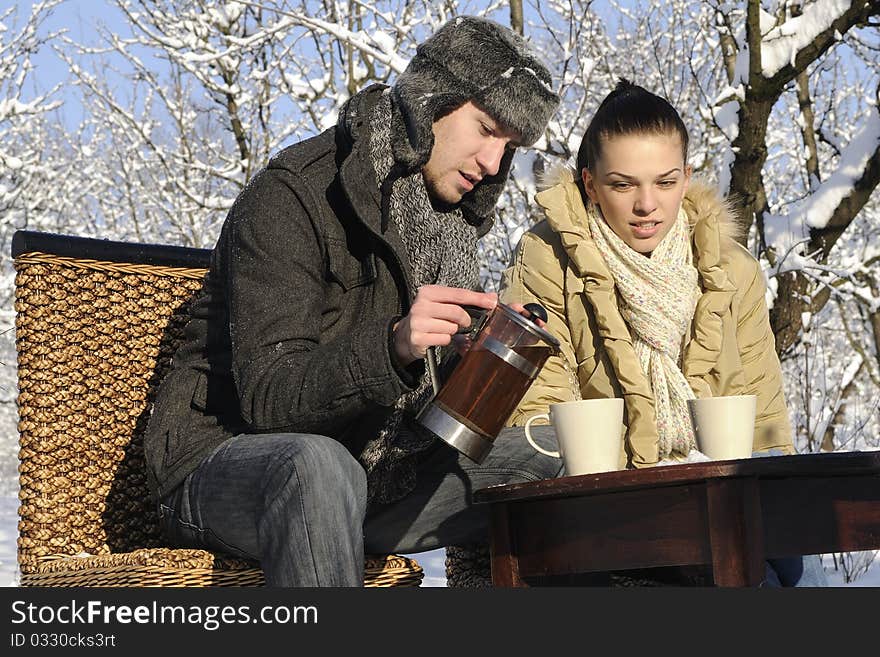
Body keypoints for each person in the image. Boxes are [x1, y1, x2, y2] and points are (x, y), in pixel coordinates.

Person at [143, 16, 562, 586]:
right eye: (485, 128)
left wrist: (471, 360)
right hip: (226, 466)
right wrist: (394, 346)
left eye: (508, 146)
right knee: (317, 468)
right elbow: (267, 398)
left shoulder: (450, 225)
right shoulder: (292, 195)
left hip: (374, 477)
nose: (493, 162)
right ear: (430, 100)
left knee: (556, 464)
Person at [499, 79, 827, 587]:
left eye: (666, 182)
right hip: (607, 507)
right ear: (590, 184)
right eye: (623, 184)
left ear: (687, 176)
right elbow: (539, 417)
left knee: (789, 561)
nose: (646, 204)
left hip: (720, 497)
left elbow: (764, 416)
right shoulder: (547, 260)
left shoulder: (732, 268)